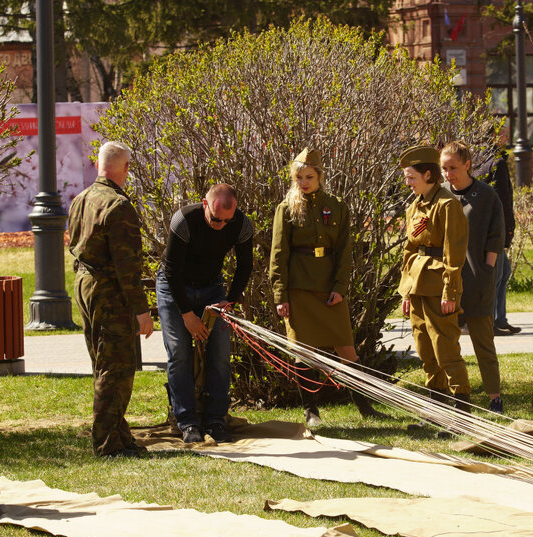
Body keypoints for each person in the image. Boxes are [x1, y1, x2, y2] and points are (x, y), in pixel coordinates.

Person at [269, 148, 382, 425]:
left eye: (309, 176)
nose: (304, 182)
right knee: (303, 351)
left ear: (320, 176)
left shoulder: (337, 206)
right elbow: (278, 254)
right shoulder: (286, 209)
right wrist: (280, 294)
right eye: (299, 177)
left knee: (347, 350)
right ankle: (311, 411)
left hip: (330, 288)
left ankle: (365, 407)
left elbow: (345, 252)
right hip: (299, 289)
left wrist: (340, 287)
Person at [68, 141, 155, 459]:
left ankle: (119, 433)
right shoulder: (119, 206)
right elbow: (128, 267)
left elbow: (73, 245)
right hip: (109, 291)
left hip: (85, 284)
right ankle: (107, 444)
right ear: (126, 168)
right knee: (116, 367)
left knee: (102, 363)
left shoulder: (81, 199)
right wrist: (141, 311)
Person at [157, 183, 254, 444]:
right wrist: (187, 315)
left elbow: (245, 266)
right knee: (179, 353)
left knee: (220, 353)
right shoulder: (184, 220)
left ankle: (215, 419)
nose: (221, 225)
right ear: (204, 204)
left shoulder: (242, 225)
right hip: (175, 286)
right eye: (215, 218)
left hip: (212, 289)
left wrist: (229, 301)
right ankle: (187, 421)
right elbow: (172, 273)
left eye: (227, 220)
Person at [397, 144, 472, 416]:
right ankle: (437, 413)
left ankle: (463, 413)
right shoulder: (416, 205)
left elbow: (454, 252)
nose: (407, 183)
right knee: (425, 350)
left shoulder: (447, 204)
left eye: (411, 177)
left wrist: (450, 292)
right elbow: (409, 249)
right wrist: (406, 292)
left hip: (439, 286)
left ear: (428, 175)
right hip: (417, 286)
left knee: (445, 350)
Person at [440, 140, 506, 413]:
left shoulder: (486, 195)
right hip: (447, 282)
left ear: (468, 165)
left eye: (453, 168)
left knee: (483, 342)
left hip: (478, 279)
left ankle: (494, 398)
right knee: (447, 344)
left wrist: (487, 270)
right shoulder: (440, 194)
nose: (448, 174)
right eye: (444, 168)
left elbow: (496, 235)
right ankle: (455, 398)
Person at [487, 148, 521, 335]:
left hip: (494, 226)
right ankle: (491, 321)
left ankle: (500, 318)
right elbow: (503, 198)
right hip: (495, 227)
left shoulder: (486, 160)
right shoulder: (495, 163)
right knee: (497, 274)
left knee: (504, 271)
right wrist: (507, 227)